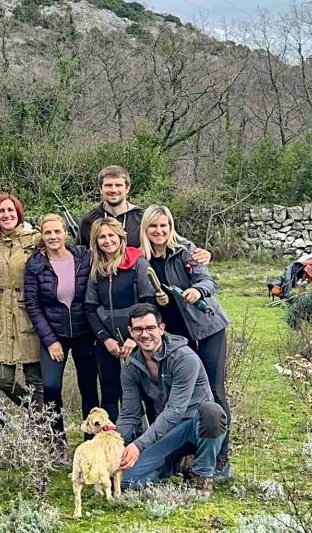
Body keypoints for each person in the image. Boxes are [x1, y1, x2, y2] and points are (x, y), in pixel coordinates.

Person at [139, 204, 232, 478]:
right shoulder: (142, 261)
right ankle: (181, 455)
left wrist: (196, 290)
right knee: (177, 396)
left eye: (163, 226)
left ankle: (220, 459)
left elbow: (207, 281)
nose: (159, 231)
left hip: (206, 330)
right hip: (176, 340)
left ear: (171, 227)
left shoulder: (186, 251)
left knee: (213, 392)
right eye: (153, 226)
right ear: (145, 229)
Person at [117, 304, 228, 492]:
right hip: (168, 431)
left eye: (150, 328)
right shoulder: (131, 365)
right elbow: (129, 413)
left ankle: (201, 475)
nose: (144, 334)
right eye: (138, 329)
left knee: (212, 412)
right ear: (130, 332)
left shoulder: (184, 358)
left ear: (161, 328)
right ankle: (174, 465)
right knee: (125, 481)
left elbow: (175, 410)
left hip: (195, 426)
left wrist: (138, 445)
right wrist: (113, 441)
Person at [24, 213, 99, 463]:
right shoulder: (35, 264)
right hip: (54, 334)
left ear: (66, 233)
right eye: (48, 233)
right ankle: (57, 442)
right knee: (51, 387)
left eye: (57, 232)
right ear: (41, 236)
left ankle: (91, 443)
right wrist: (50, 340)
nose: (53, 237)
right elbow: (33, 305)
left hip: (84, 331)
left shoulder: (83, 257)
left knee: (88, 387)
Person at [85, 217, 155, 423]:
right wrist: (105, 339)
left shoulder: (138, 264)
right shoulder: (96, 269)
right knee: (109, 395)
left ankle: (150, 444)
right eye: (101, 237)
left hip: (139, 342)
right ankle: (115, 446)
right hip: (108, 344)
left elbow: (149, 302)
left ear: (121, 237)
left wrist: (136, 339)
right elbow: (90, 307)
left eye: (111, 235)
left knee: (145, 395)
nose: (107, 241)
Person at [78, 165, 211, 265]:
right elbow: (80, 254)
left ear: (127, 188)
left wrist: (203, 253)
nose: (113, 190)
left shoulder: (143, 217)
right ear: (100, 189)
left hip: (141, 282)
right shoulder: (89, 220)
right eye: (108, 185)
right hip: (103, 282)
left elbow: (170, 239)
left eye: (118, 185)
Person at [0, 193, 42, 406]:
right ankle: (33, 412)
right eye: (1, 211)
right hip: (1, 317)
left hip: (28, 316)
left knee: (35, 378)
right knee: (1, 378)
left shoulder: (34, 239)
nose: (7, 215)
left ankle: (44, 430)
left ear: (18, 212)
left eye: (11, 210)